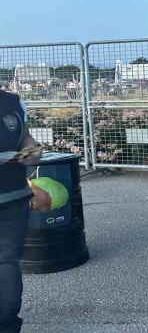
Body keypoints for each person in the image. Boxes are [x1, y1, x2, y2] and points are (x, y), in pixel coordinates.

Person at [0, 90, 41, 333]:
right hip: (13, 196)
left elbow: (26, 139)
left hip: (13, 196)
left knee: (6, 263)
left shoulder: (13, 101)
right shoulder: (12, 101)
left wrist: (32, 151)